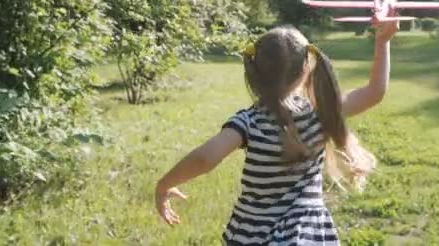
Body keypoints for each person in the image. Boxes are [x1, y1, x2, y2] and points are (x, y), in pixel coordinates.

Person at [155, 21, 399, 245]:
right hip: (306, 235)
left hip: (251, 234)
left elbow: (204, 159)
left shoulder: (248, 123)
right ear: (307, 66)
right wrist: (383, 41)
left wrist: (165, 184)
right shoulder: (320, 113)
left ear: (254, 73)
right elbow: (374, 93)